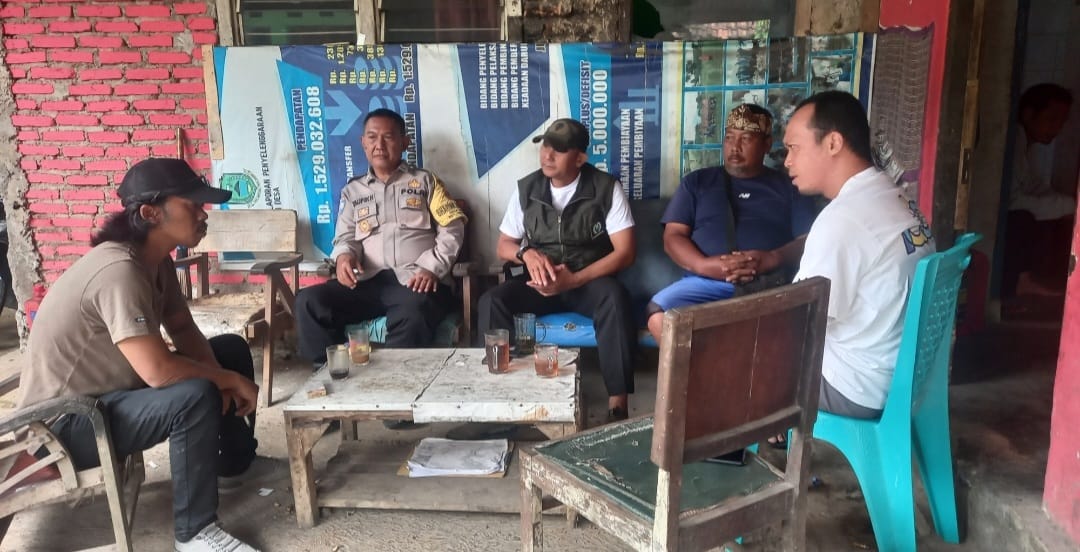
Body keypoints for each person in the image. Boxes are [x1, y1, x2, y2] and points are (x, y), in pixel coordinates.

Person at [18, 158, 262, 551]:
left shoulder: (155, 260)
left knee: (228, 349)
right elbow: (158, 372)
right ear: (151, 213)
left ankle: (234, 462)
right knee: (194, 396)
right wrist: (228, 381)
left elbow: (182, 329)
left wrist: (222, 375)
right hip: (65, 426)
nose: (204, 215)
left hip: (109, 399)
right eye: (193, 205)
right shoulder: (119, 270)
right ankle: (195, 533)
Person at [783, 90, 935, 418]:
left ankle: (771, 438)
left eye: (794, 148)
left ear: (833, 143)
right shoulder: (893, 197)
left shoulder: (844, 219)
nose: (787, 161)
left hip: (856, 387)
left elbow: (799, 320)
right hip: (901, 376)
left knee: (736, 361)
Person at [476, 118, 637, 423]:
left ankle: (617, 404)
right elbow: (504, 245)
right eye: (545, 146)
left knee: (615, 299)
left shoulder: (605, 188)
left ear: (580, 158)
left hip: (587, 280)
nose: (547, 156)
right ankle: (499, 398)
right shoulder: (528, 189)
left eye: (559, 150)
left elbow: (625, 252)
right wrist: (526, 253)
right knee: (491, 301)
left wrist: (573, 279)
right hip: (540, 282)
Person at [294, 109, 467, 364]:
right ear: (363, 143)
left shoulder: (426, 182)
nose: (379, 145)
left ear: (404, 142)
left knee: (414, 311)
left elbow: (453, 228)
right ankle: (328, 372)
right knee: (308, 301)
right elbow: (345, 237)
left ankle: (394, 379)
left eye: (388, 137)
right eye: (372, 137)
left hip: (416, 281)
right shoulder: (353, 191)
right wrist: (344, 257)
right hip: (367, 283)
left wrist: (431, 267)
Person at [646, 104, 817, 344]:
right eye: (729, 138)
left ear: (767, 144)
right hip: (706, 283)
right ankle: (705, 370)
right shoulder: (697, 182)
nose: (734, 147)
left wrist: (771, 258)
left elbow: (809, 241)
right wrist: (705, 266)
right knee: (659, 313)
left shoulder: (791, 186)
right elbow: (673, 236)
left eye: (745, 139)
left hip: (768, 285)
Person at [1002, 83, 1074, 298]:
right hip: (994, 225)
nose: (1057, 129)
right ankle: (1019, 285)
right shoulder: (1013, 140)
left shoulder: (1023, 142)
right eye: (1051, 119)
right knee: (1022, 219)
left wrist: (1067, 204)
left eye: (1061, 122)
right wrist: (1070, 205)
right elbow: (1011, 201)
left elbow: (1031, 185)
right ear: (1028, 115)